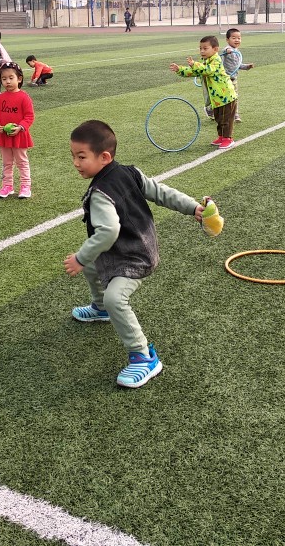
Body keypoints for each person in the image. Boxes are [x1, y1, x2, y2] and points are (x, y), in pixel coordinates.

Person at [65, 119, 206, 388]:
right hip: (133, 247)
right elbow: (160, 191)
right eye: (73, 156)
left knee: (116, 297)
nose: (75, 163)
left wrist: (80, 258)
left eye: (81, 157)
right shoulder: (130, 172)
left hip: (134, 257)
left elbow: (108, 232)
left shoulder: (101, 193)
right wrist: (192, 207)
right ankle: (101, 308)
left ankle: (144, 357)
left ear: (104, 157)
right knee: (94, 265)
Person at [170, 35, 238, 149]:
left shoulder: (216, 60)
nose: (202, 51)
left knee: (225, 119)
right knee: (218, 118)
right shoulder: (205, 61)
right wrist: (180, 69)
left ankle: (228, 139)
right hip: (217, 98)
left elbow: (208, 70)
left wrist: (194, 64)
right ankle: (221, 137)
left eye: (205, 48)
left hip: (226, 96)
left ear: (215, 49)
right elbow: (195, 72)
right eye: (200, 48)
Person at [0, 62, 34, 198]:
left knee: (22, 162)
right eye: (4, 79)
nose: (7, 81)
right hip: (3, 136)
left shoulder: (24, 97)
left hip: (19, 135)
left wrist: (20, 127)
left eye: (11, 78)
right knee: (6, 163)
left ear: (19, 79)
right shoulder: (0, 98)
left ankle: (25, 186)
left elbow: (29, 116)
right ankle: (7, 186)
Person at [204, 28, 253, 122]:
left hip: (233, 79)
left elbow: (238, 65)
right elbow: (225, 50)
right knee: (221, 97)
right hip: (224, 80)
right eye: (234, 38)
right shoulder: (227, 50)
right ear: (227, 39)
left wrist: (247, 66)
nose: (237, 40)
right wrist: (228, 50)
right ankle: (210, 109)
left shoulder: (237, 52)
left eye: (239, 38)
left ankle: (235, 115)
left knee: (234, 97)